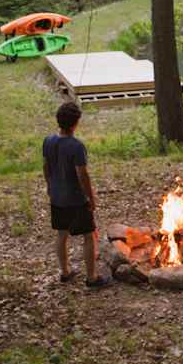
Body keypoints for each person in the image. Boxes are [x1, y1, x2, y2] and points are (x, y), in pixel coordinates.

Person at [43, 102, 110, 288]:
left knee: (61, 234)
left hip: (57, 198)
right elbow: (82, 174)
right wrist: (90, 197)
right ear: (76, 123)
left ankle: (65, 272)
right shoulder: (76, 146)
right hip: (76, 200)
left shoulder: (48, 141)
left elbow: (46, 167)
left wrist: (50, 186)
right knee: (88, 236)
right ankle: (92, 278)